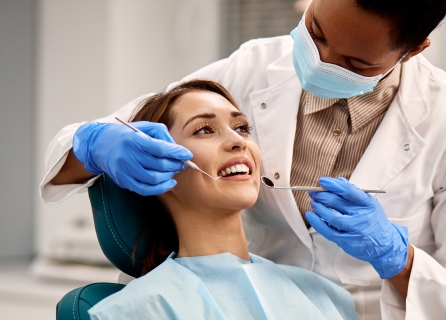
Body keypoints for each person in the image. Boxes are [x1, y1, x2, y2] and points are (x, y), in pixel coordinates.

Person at [41, 0, 446, 319]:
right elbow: (96, 139)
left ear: (413, 50)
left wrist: (398, 259)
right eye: (316, 32)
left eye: (353, 63)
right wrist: (94, 143)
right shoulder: (249, 69)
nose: (319, 62)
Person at [87, 79, 359, 320]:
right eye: (204, 130)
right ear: (157, 167)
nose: (237, 141)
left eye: (241, 127)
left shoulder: (326, 298)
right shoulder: (138, 311)